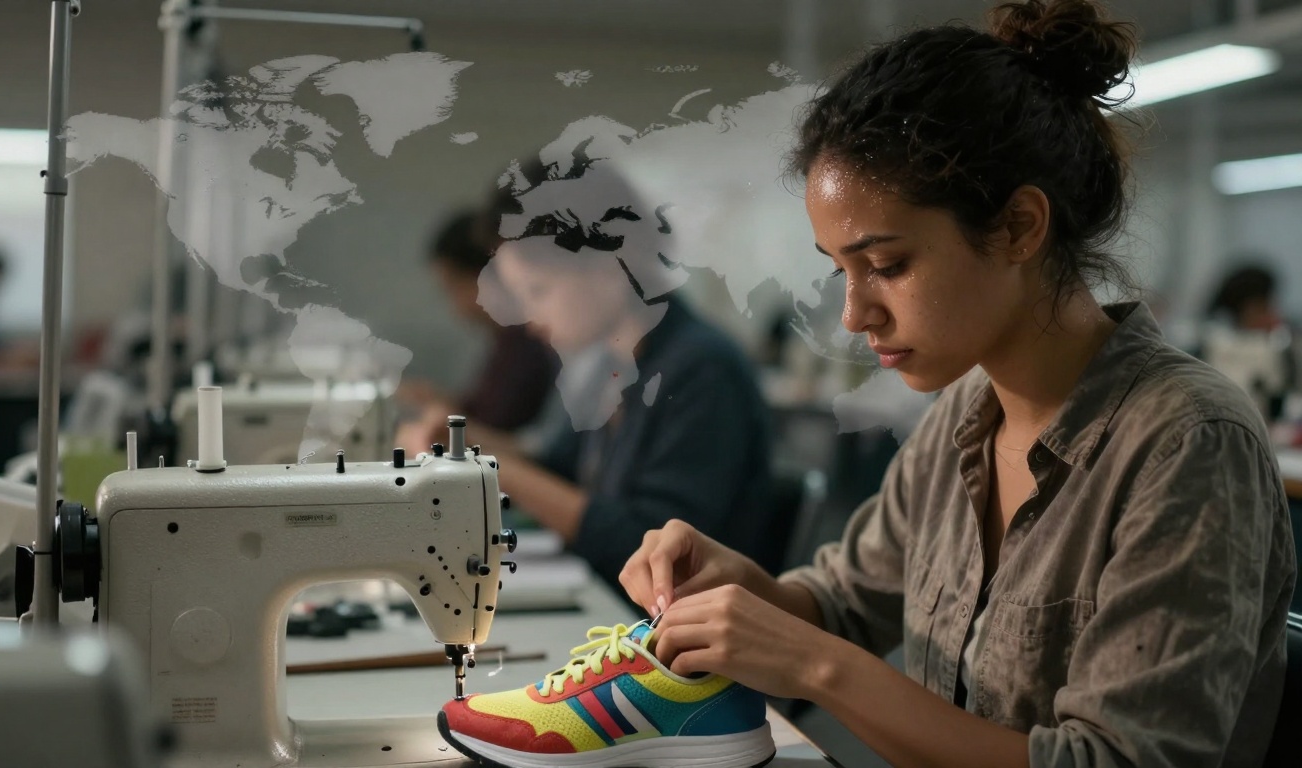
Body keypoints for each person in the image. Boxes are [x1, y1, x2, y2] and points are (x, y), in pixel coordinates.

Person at [619, 2, 1297, 766]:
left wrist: (816, 665)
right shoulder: (964, 420)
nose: (853, 314)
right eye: (840, 269)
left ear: (1017, 228)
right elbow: (844, 603)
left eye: (889, 266)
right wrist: (741, 593)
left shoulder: (1188, 445)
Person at [400, 155, 781, 588]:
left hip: (678, 637)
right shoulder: (612, 362)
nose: (526, 317)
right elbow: (560, 469)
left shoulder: (702, 369)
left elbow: (651, 549)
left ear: (608, 267)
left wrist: (487, 465)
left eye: (538, 291)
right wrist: (460, 441)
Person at [396, 210, 558, 432]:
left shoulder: (524, 341)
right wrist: (442, 403)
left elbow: (499, 429)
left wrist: (447, 419)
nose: (455, 306)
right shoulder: (506, 341)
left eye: (453, 287)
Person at [1201, 263, 1296, 419]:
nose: (1273, 315)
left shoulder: (1281, 344)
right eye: (1264, 308)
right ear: (1248, 309)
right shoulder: (1212, 347)